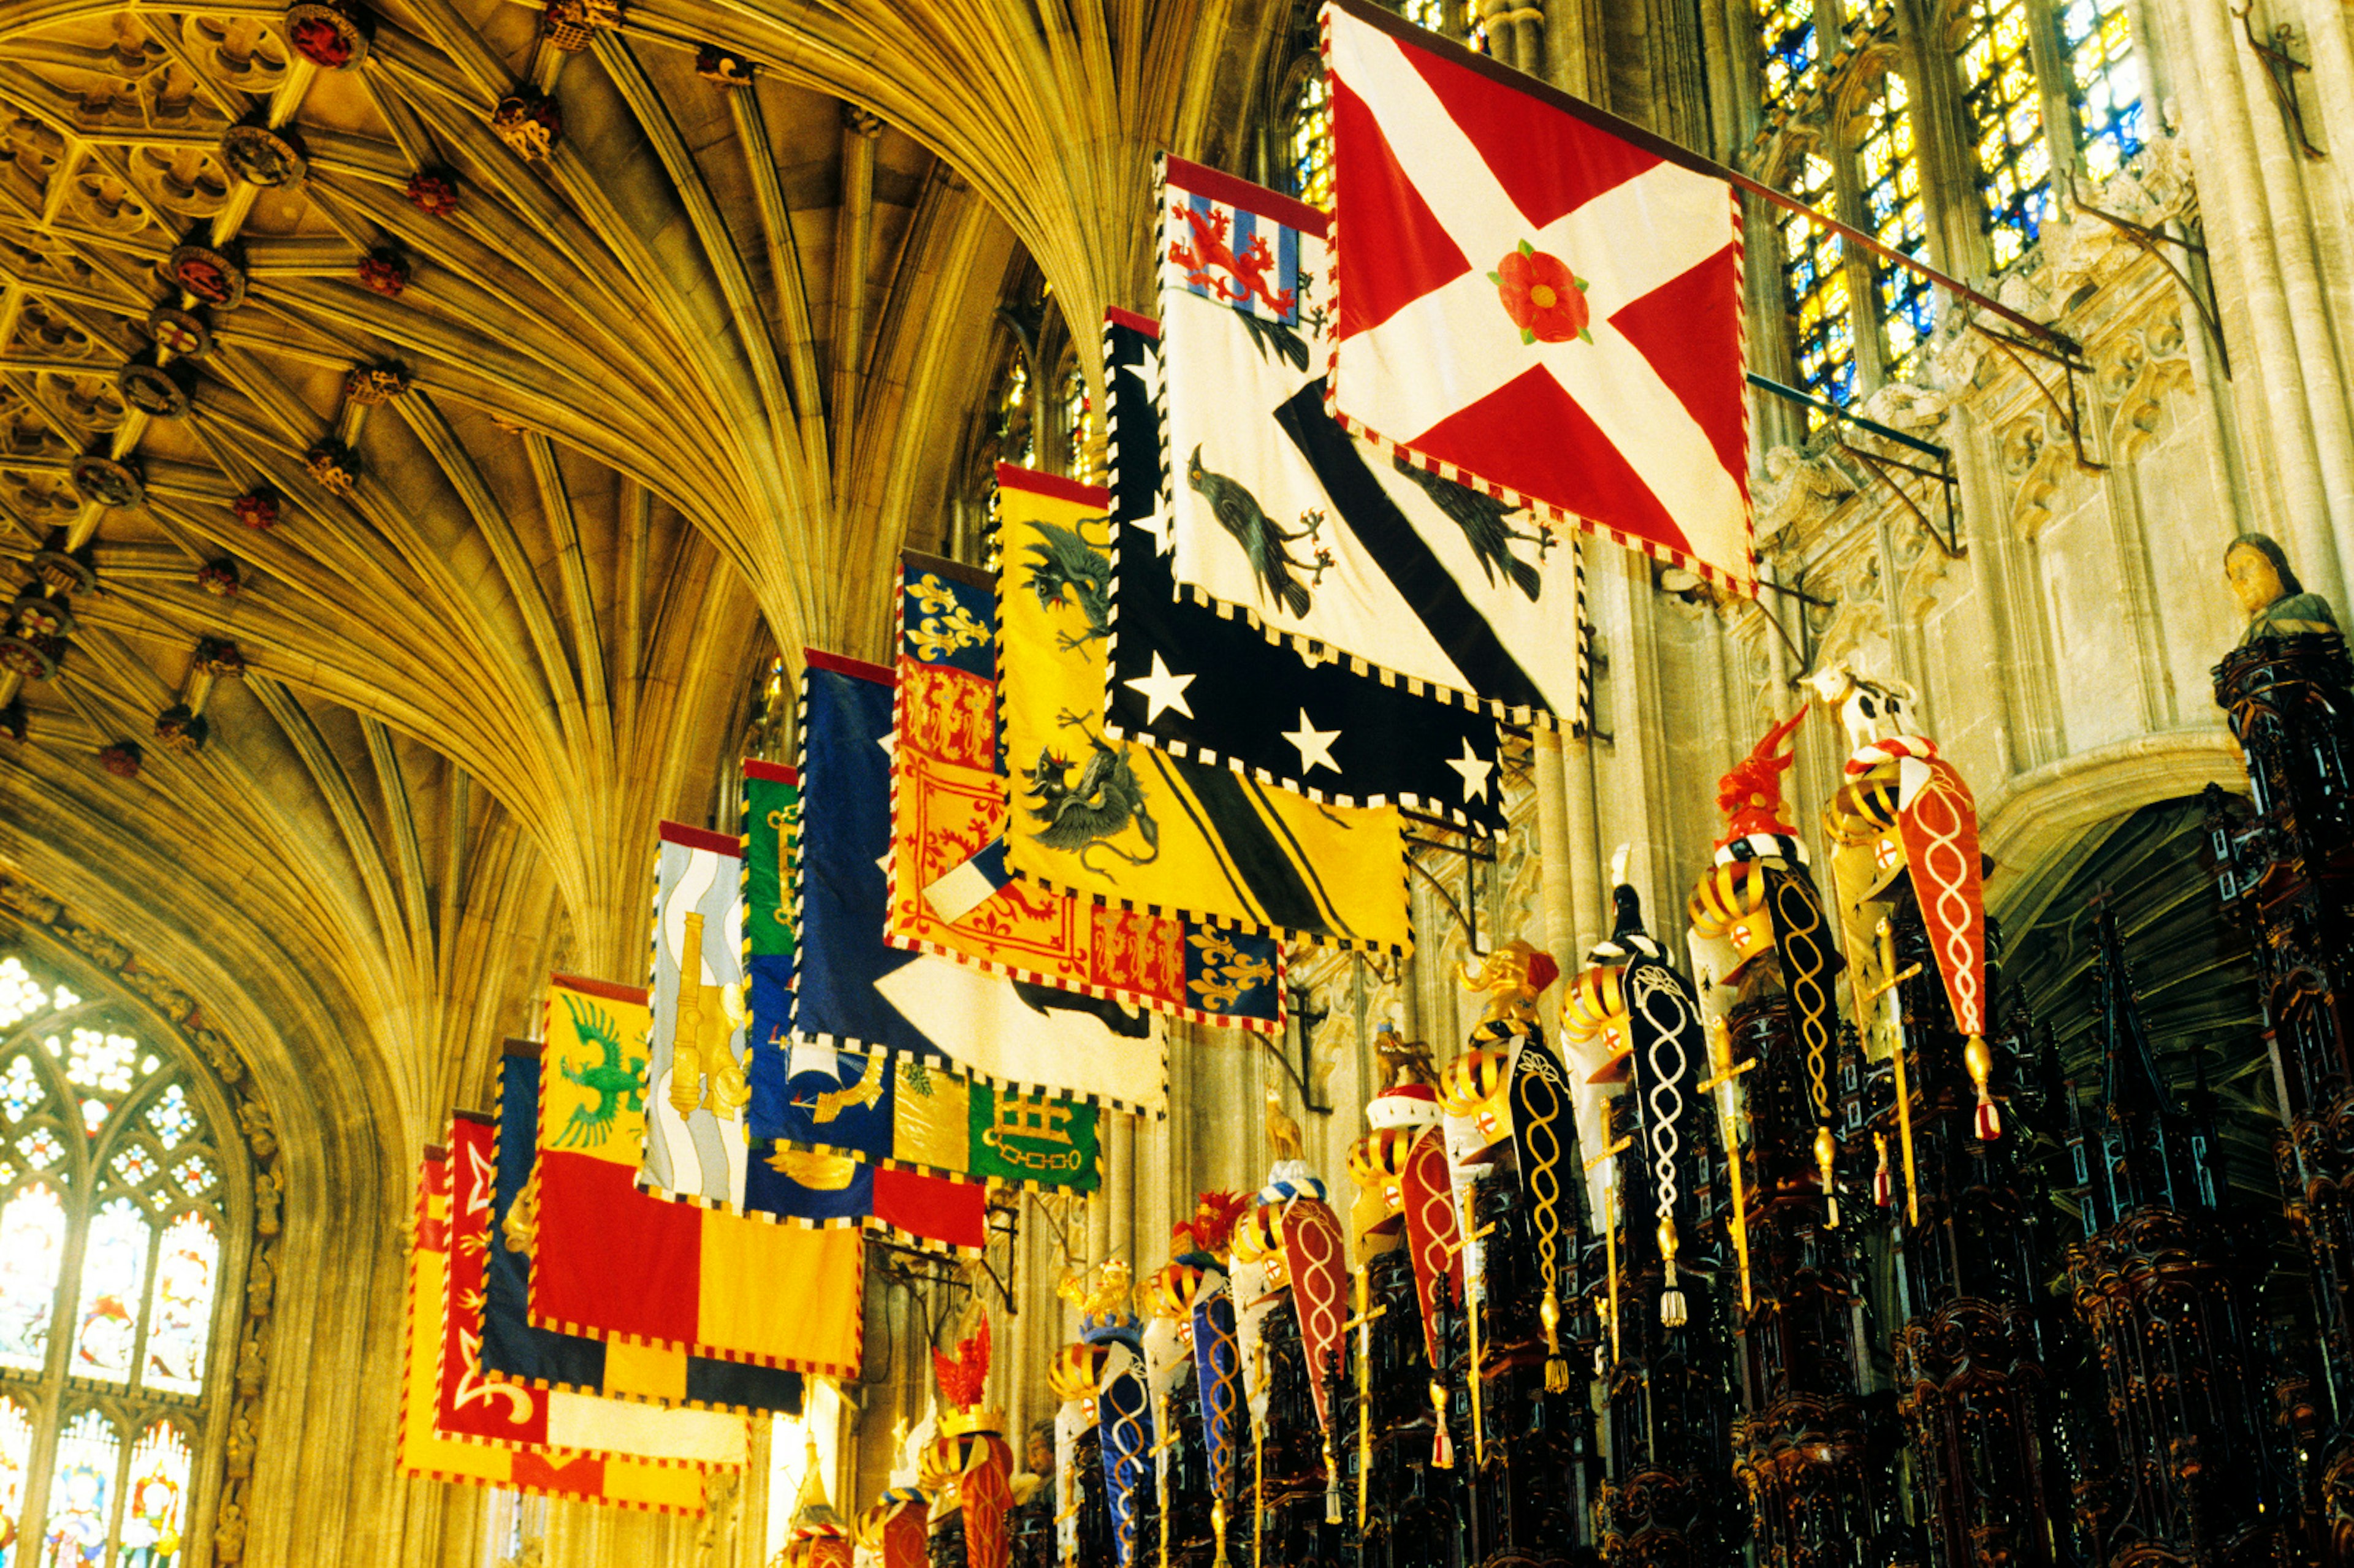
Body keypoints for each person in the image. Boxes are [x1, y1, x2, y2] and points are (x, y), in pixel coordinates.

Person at [2226, 533, 2340, 644]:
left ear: (2276, 566)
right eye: (2233, 573)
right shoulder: (2247, 639)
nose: (2240, 579)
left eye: (2249, 564)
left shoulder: (2308, 604)